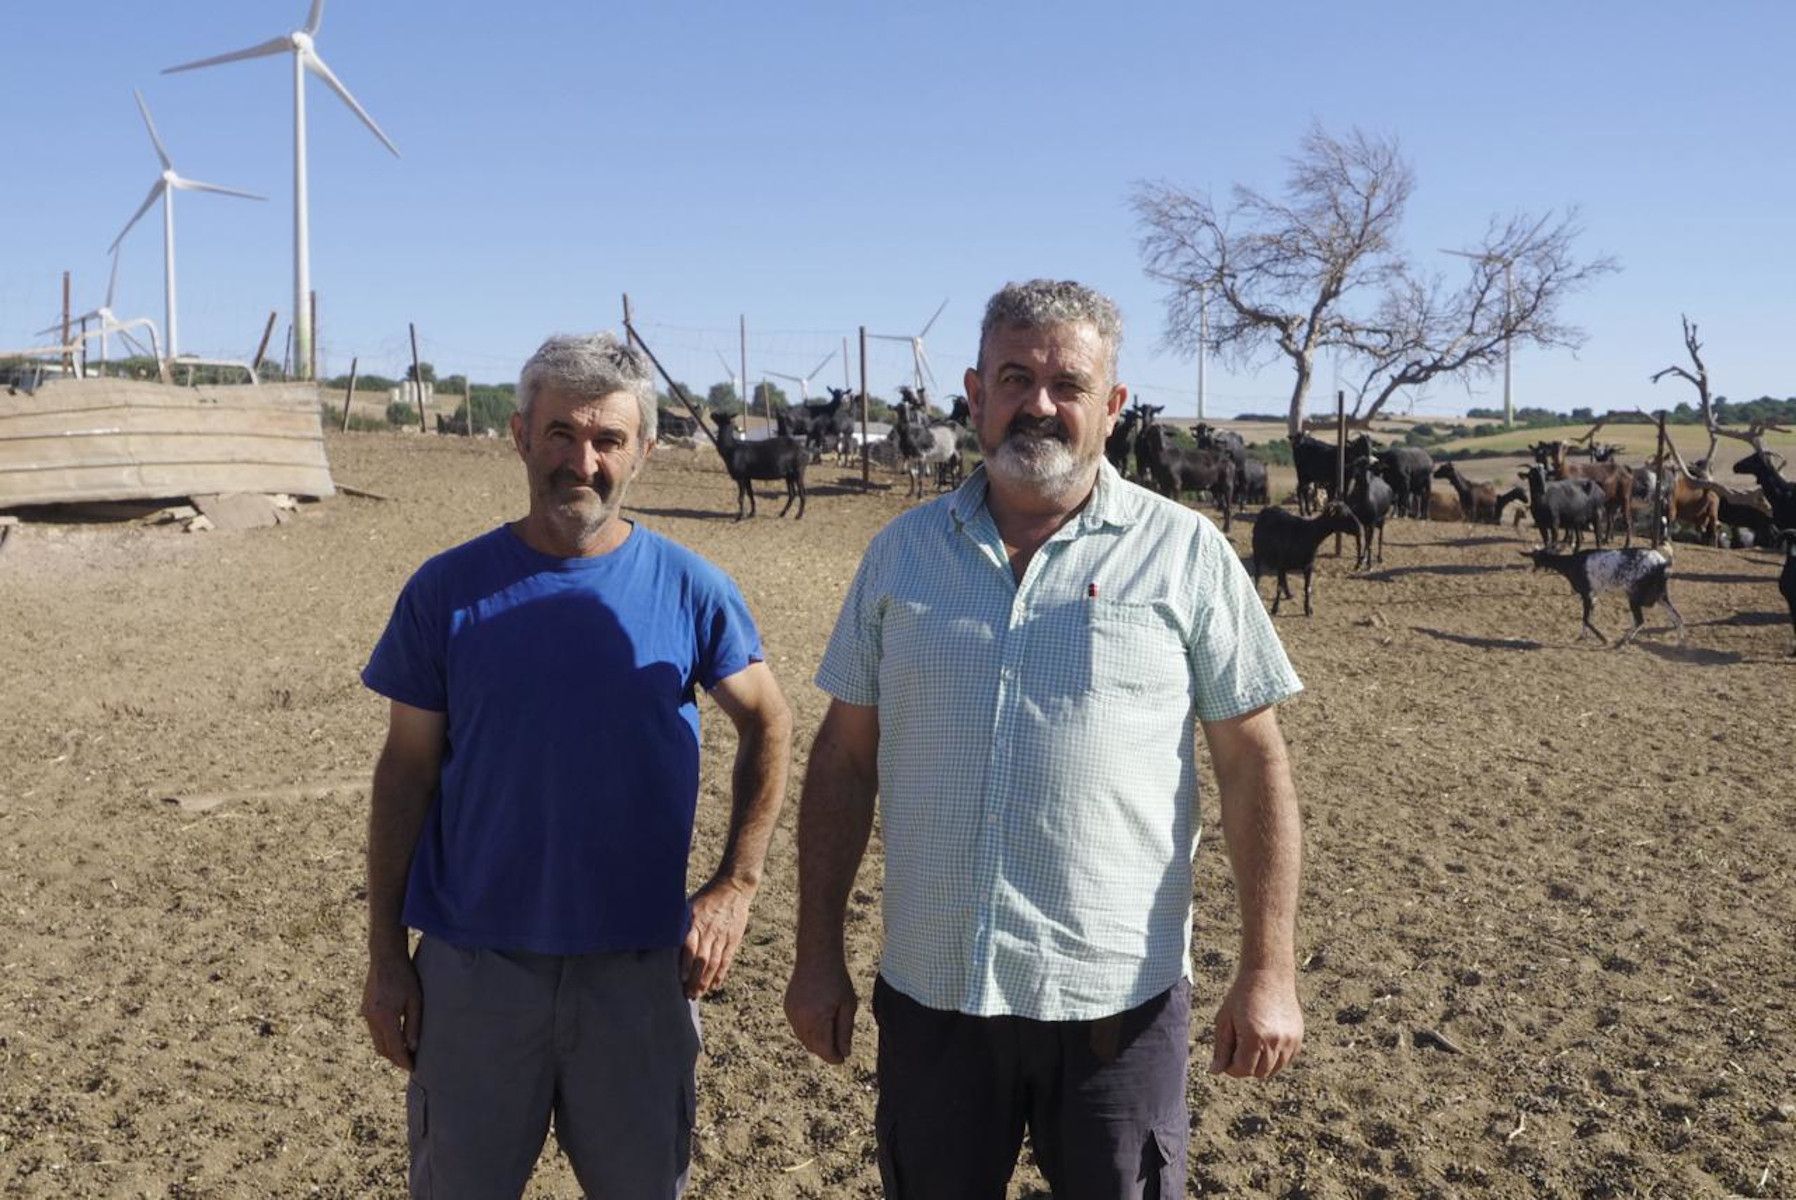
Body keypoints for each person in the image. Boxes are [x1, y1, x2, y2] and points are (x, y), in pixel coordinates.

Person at [784, 280, 1305, 1198]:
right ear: (974, 393)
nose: (1039, 404)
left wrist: (1268, 969)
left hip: (1117, 1003)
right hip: (936, 994)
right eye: (1015, 378)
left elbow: (1252, 763)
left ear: (1113, 405)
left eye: (1069, 384)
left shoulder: (1184, 553)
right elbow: (844, 759)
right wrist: (817, 951)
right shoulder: (901, 555)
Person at [360, 331, 792, 1198]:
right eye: (561, 433)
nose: (582, 461)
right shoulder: (446, 591)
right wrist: (385, 956)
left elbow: (769, 720)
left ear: (643, 451)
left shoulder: (691, 587)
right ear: (520, 436)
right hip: (474, 973)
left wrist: (736, 885)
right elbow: (405, 772)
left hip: (639, 973)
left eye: (608, 440)